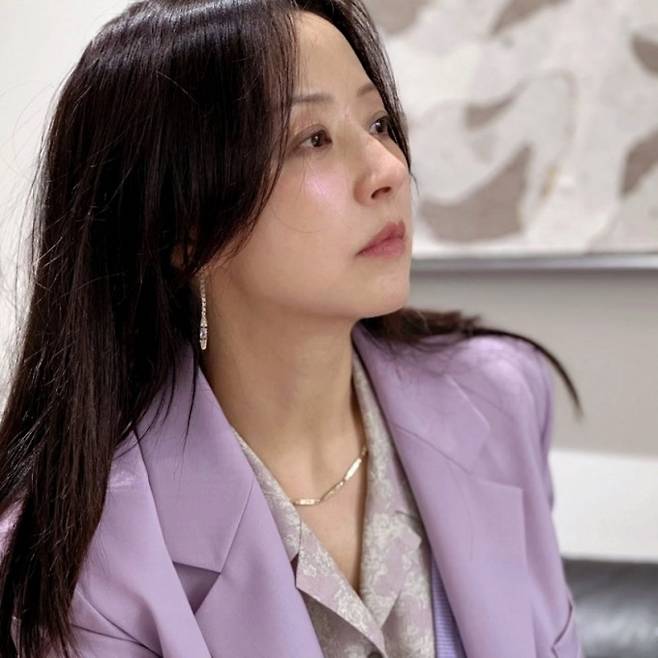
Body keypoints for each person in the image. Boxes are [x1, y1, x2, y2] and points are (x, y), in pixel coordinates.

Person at [0, 1, 585, 657]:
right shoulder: (84, 560)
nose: (389, 170)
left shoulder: (501, 398)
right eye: (313, 139)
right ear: (184, 230)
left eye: (378, 122)